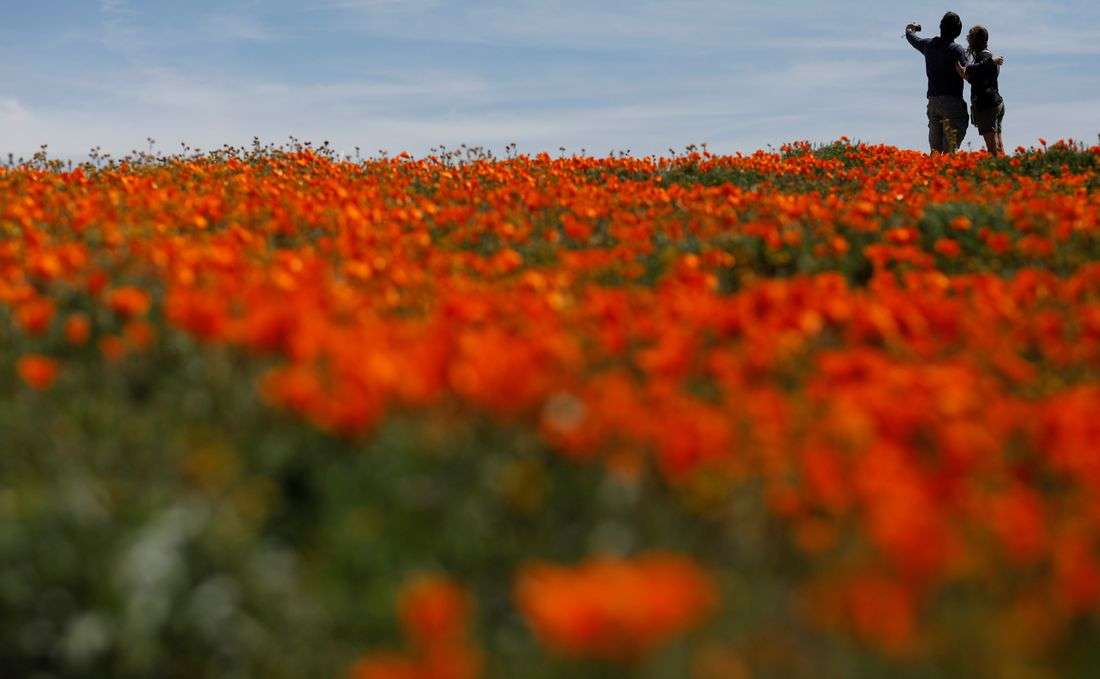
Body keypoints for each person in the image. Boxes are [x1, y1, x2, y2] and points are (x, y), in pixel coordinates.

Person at [905, 12, 970, 153]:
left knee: (935, 150)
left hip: (933, 102)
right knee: (949, 152)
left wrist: (911, 28)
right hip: (952, 103)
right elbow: (968, 72)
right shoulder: (957, 50)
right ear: (958, 31)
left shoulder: (929, 45)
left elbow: (912, 37)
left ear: (941, 27)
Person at [956, 26, 1006, 157]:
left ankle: (997, 172)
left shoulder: (985, 58)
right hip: (996, 102)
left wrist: (965, 72)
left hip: (987, 105)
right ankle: (1006, 169)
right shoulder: (989, 55)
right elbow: (977, 78)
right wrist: (965, 75)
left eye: (970, 39)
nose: (969, 42)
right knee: (999, 143)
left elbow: (971, 70)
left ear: (976, 41)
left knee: (992, 148)